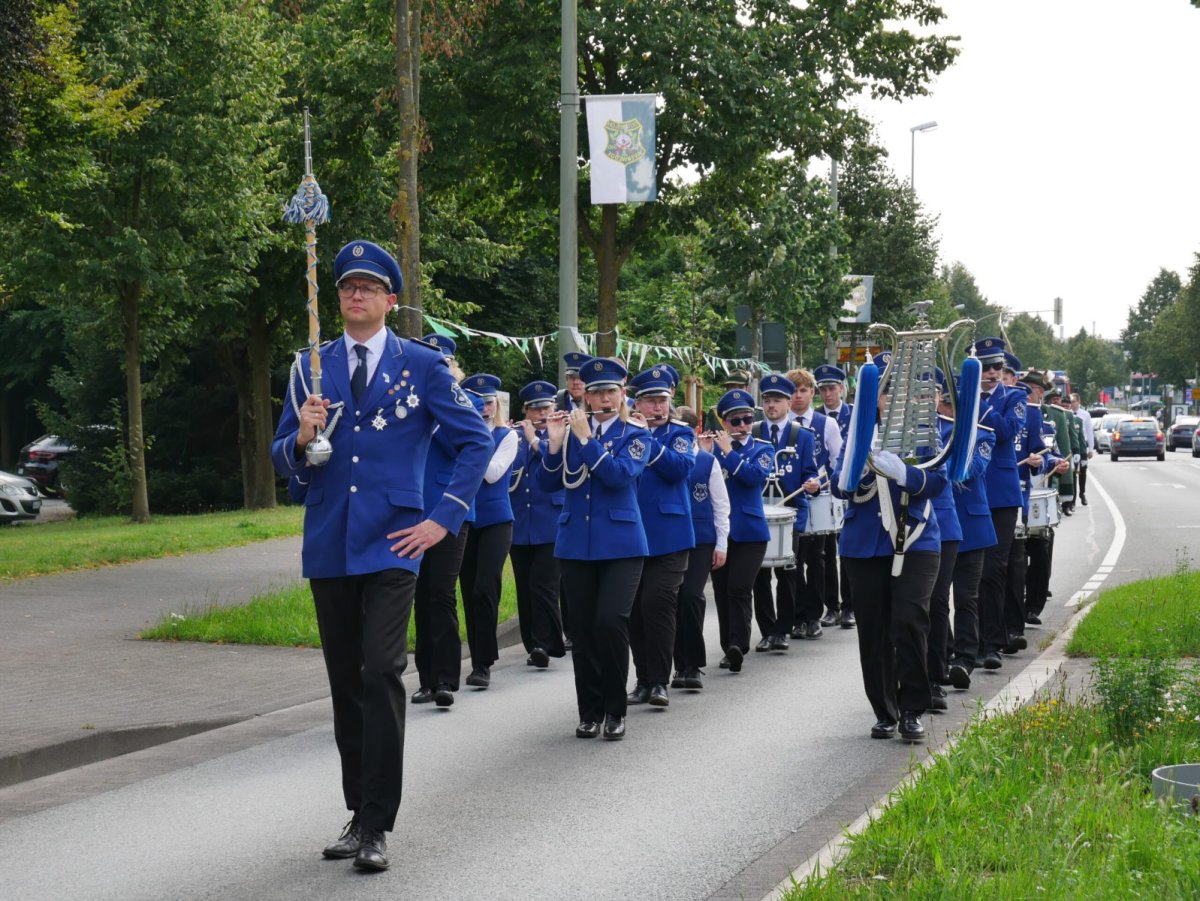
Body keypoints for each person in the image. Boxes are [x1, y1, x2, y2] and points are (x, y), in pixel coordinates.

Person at [271, 239, 491, 871]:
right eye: (347, 287)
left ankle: (377, 824)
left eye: (369, 287)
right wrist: (304, 436)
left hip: (396, 541)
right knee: (346, 683)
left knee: (380, 670)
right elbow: (285, 456)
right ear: (336, 297)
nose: (356, 295)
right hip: (331, 541)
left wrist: (442, 519)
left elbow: (474, 441)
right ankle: (356, 809)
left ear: (391, 301)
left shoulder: (422, 365)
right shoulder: (308, 368)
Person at [538, 357, 648, 741]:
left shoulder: (636, 433)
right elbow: (549, 485)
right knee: (582, 631)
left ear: (622, 394)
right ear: (584, 394)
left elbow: (618, 477)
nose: (602, 396)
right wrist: (553, 445)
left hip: (621, 544)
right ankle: (590, 711)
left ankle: (615, 710)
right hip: (575, 543)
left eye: (610, 390)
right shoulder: (569, 432)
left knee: (610, 622)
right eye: (595, 391)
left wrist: (584, 439)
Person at [830, 383, 947, 743]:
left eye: (899, 392)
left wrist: (905, 475)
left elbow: (940, 480)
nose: (893, 400)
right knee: (874, 630)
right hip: (864, 544)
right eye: (885, 393)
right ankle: (885, 711)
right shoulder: (857, 434)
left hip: (916, 540)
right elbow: (837, 485)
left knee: (910, 620)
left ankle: (912, 708)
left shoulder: (924, 434)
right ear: (873, 399)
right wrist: (858, 474)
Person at [411, 337, 478, 710]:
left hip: (450, 511)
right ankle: (424, 678)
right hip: (414, 511)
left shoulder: (462, 403)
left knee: (441, 591)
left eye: (446, 363)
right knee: (418, 595)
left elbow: (462, 445)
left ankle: (446, 678)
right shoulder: (411, 400)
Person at [626, 366, 695, 707]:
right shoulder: (623, 431)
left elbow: (680, 468)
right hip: (629, 533)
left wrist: (646, 439)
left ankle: (659, 682)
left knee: (658, 605)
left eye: (662, 401)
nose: (658, 408)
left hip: (670, 535)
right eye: (650, 401)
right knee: (635, 610)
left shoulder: (680, 434)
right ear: (636, 403)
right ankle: (642, 680)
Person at [750, 373, 819, 651]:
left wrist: (812, 484)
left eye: (777, 400)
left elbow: (811, 471)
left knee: (788, 574)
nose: (771, 406)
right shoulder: (753, 433)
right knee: (760, 576)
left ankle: (783, 629)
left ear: (789, 403)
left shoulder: (801, 436)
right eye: (767, 400)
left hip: (791, 516)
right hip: (757, 515)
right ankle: (767, 630)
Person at [706, 388, 773, 672]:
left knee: (739, 588)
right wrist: (710, 452)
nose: (743, 425)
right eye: (735, 421)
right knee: (721, 592)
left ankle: (739, 644)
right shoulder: (713, 449)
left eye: (747, 419)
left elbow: (753, 478)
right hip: (719, 531)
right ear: (724, 423)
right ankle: (728, 647)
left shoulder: (762, 448)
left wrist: (728, 452)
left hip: (751, 532)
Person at [459, 374, 519, 689]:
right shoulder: (459, 435)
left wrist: (472, 443)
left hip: (496, 521)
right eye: (478, 402)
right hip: (465, 520)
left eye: (489, 402)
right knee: (468, 591)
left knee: (485, 588)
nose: (484, 407)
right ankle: (477, 659)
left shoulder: (506, 436)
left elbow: (494, 474)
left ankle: (484, 663)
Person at [973, 337, 1026, 671]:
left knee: (993, 568)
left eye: (997, 367)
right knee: (968, 571)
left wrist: (979, 403)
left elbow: (1006, 432)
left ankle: (992, 642)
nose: (992, 373)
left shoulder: (1015, 397)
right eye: (985, 367)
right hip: (969, 491)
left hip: (1002, 496)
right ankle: (968, 642)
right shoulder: (962, 396)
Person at [509, 380, 567, 667]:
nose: (541, 413)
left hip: (551, 521)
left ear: (554, 408)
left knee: (543, 585)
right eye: (535, 409)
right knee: (524, 586)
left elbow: (555, 461)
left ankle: (547, 642)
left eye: (546, 407)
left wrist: (535, 440)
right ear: (526, 411)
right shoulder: (514, 436)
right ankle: (533, 644)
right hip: (521, 521)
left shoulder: (563, 434)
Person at [672, 406, 729, 691]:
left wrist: (722, 543)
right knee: (671, 600)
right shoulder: (664, 457)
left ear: (693, 431)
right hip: (670, 537)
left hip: (701, 539)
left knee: (692, 597)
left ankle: (692, 665)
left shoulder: (707, 462)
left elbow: (720, 505)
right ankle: (677, 664)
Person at [785, 367, 843, 639]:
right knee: (792, 561)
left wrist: (823, 484)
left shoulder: (825, 423)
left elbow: (837, 463)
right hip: (790, 502)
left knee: (817, 559)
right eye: (793, 391)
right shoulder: (781, 424)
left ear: (811, 392)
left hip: (818, 499)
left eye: (803, 390)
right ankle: (798, 615)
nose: (797, 396)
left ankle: (815, 614)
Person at [814, 363, 854, 629]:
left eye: (832, 388)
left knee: (848, 549)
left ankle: (850, 606)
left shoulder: (856, 415)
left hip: (850, 488)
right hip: (824, 491)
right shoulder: (816, 418)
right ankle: (832, 606)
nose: (827, 394)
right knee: (826, 551)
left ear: (842, 388)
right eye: (823, 389)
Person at [1070, 393, 1094, 506]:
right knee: (1073, 471)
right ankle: (1073, 497)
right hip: (1072, 446)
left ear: (1079, 402)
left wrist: (1091, 449)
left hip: (1082, 445)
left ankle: (1082, 493)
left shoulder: (1085, 415)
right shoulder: (1068, 414)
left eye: (1074, 401)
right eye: (1071, 402)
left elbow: (1089, 432)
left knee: (1083, 471)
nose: (1072, 404)